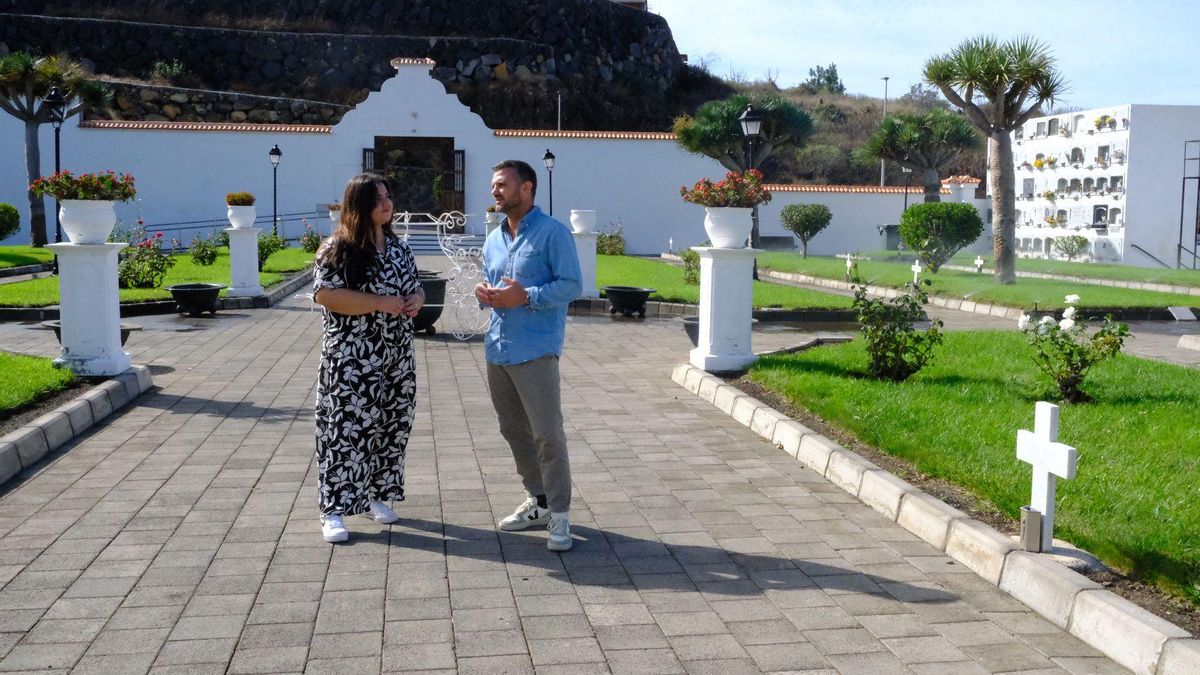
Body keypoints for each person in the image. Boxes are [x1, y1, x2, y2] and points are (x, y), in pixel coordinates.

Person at [475, 159, 582, 551]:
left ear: (527, 188)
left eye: (502, 184)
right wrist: (483, 293)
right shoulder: (494, 238)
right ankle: (537, 501)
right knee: (513, 431)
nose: (495, 191)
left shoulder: (553, 234)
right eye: (494, 185)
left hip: (536, 350)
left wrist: (529, 296)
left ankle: (560, 516)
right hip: (498, 347)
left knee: (547, 435)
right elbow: (494, 282)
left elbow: (572, 284)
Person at [312, 173, 424, 543]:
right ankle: (334, 510)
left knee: (391, 428)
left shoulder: (399, 248)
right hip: (351, 361)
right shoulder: (336, 248)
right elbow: (326, 295)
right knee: (344, 433)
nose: (386, 204)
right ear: (358, 204)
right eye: (377, 199)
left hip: (396, 359)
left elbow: (417, 289)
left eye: (388, 196)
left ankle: (379, 496)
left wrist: (414, 302)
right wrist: (380, 304)